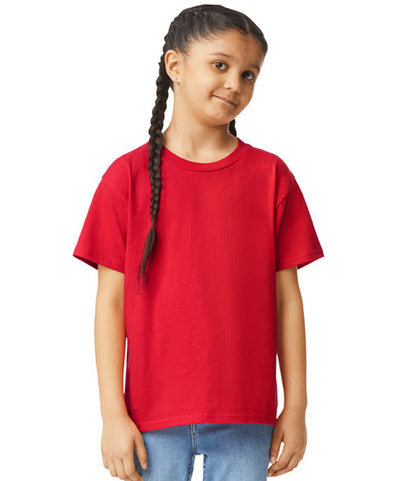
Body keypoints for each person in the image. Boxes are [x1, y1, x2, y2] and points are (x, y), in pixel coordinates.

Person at [72, 4, 324, 480]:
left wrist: (297, 407)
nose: (235, 84)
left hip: (247, 418)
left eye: (249, 74)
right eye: (220, 65)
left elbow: (288, 301)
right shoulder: (125, 178)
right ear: (175, 65)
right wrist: (111, 414)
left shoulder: (271, 176)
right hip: (150, 421)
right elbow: (110, 303)